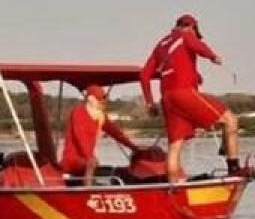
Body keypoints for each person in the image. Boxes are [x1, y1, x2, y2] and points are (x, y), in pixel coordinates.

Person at [140, 14, 240, 182]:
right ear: (191, 27)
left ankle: (173, 187)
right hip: (184, 93)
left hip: (167, 99)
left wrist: (150, 103)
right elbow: (196, 45)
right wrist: (213, 56)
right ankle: (234, 169)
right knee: (231, 120)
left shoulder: (161, 44)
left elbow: (144, 75)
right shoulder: (186, 35)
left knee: (175, 145)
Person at [60, 85, 139, 185]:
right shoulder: (78, 112)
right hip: (72, 160)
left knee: (117, 171)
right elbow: (80, 136)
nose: (101, 102)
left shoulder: (99, 115)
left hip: (88, 161)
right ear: (90, 99)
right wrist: (89, 157)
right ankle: (88, 191)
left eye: (103, 99)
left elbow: (117, 133)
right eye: (99, 99)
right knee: (92, 163)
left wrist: (134, 148)